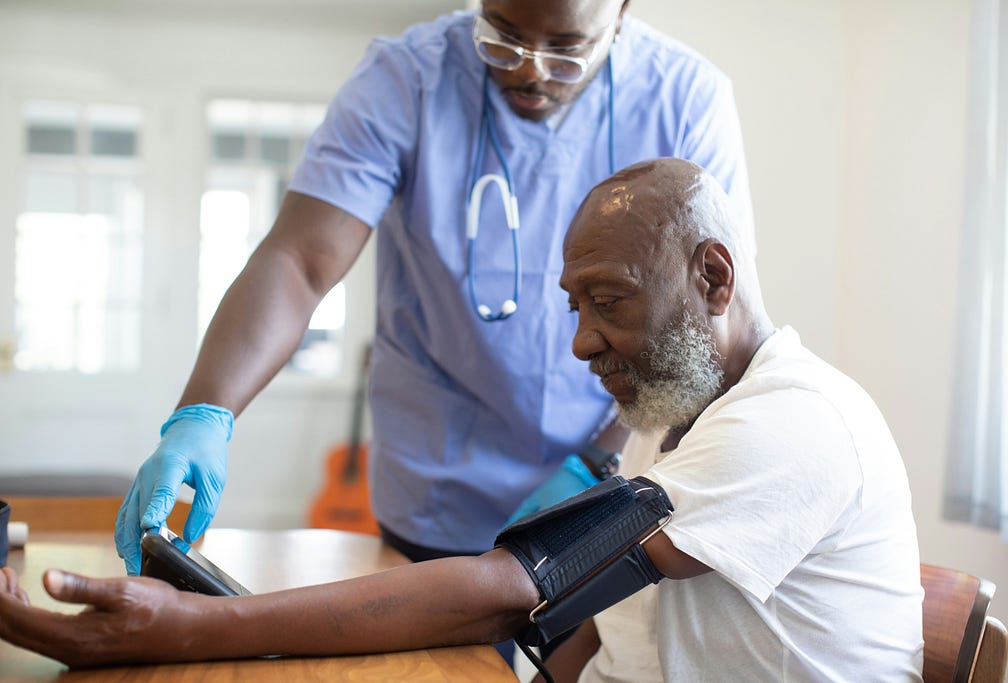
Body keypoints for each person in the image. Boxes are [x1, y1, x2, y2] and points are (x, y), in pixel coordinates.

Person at [0, 159, 923, 681]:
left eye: (607, 300)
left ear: (713, 279)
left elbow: (514, 584)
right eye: (572, 304)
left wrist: (186, 629)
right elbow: (597, 622)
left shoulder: (796, 425)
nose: (580, 342)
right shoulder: (673, 420)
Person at [114, 0, 755, 576]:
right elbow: (301, 260)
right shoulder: (406, 79)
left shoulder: (686, 98)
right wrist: (206, 412)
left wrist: (597, 461)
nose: (529, 72)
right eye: (500, 38)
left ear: (620, 11)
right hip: (434, 484)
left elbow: (701, 318)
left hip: (598, 484)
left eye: (565, 51)